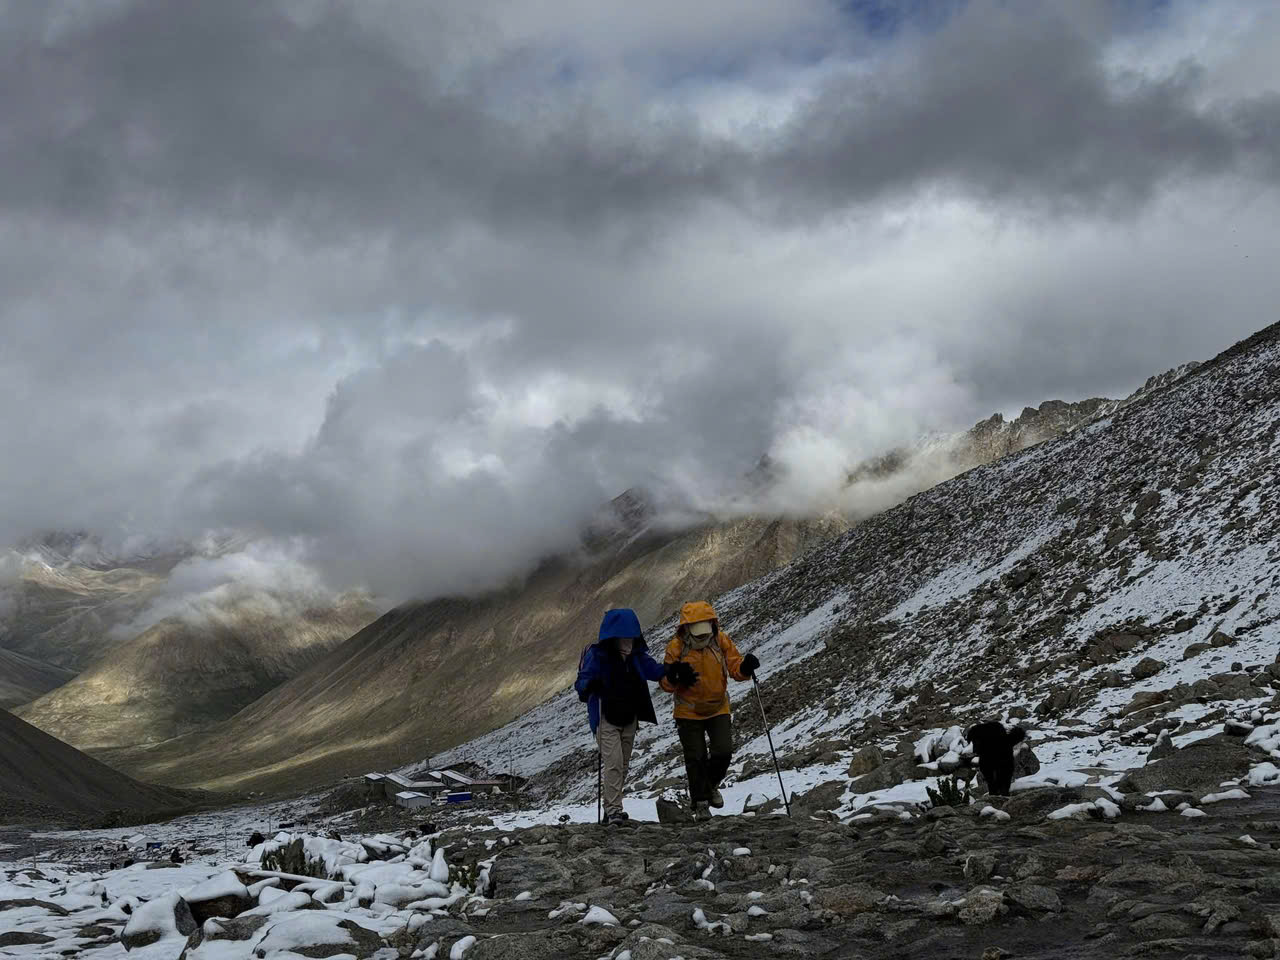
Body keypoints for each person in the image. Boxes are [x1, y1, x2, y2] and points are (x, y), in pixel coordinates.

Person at [576, 608, 697, 826]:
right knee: (613, 763)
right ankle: (613, 810)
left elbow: (656, 671)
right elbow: (582, 682)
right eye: (624, 637)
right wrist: (589, 685)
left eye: (631, 637)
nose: (628, 642)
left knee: (621, 765)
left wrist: (674, 672)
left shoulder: (636, 657)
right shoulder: (598, 655)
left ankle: (611, 809)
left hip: (628, 717)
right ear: (613, 638)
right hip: (605, 717)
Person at [659, 601, 760, 820]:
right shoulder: (675, 648)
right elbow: (665, 684)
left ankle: (709, 786)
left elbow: (735, 667)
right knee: (695, 757)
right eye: (698, 635)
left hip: (718, 708)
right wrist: (675, 676)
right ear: (686, 629)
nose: (702, 639)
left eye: (705, 633)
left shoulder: (720, 640)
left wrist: (745, 667)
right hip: (688, 712)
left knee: (723, 752)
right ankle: (701, 802)